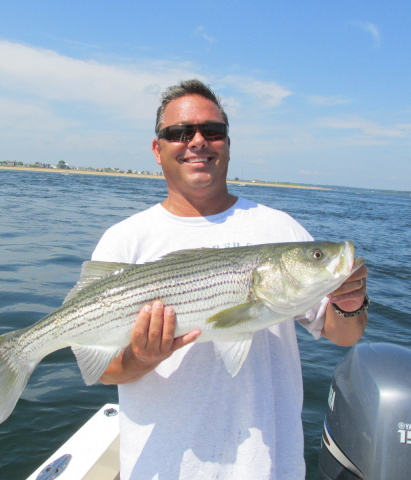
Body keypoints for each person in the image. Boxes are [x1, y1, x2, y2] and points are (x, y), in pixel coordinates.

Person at [90, 79, 369, 479]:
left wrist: (350, 303)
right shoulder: (124, 239)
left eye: (212, 132)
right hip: (161, 468)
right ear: (158, 149)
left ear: (227, 144)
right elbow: (103, 371)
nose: (198, 141)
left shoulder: (280, 227)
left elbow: (346, 335)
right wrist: (142, 357)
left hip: (269, 466)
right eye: (180, 133)